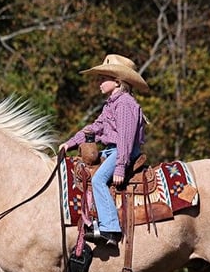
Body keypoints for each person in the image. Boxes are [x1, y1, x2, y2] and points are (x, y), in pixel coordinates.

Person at [60, 54, 149, 246]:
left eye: (103, 78)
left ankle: (110, 230)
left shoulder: (125, 103)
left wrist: (120, 166)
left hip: (123, 152)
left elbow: (125, 138)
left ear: (117, 82)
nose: (99, 83)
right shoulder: (111, 104)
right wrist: (70, 143)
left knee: (98, 180)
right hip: (112, 151)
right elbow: (95, 128)